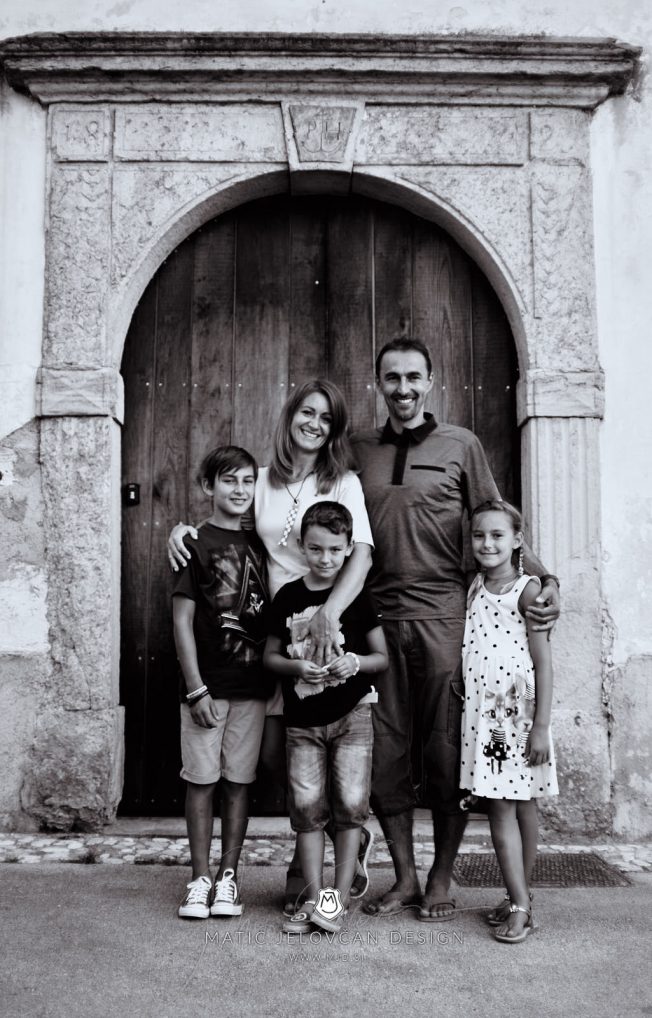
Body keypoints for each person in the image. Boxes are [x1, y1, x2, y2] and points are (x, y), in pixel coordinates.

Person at [352, 337, 560, 920]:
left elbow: (499, 522)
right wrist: (194, 529)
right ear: (379, 383)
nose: (403, 388)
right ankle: (404, 877)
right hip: (376, 623)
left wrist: (546, 579)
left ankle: (441, 877)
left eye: (413, 377)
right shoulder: (356, 449)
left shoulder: (460, 445)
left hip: (446, 621)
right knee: (386, 755)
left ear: (430, 381)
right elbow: (296, 493)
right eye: (392, 378)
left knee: (447, 752)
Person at [168, 381, 375, 914]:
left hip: (323, 630)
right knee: (277, 755)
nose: (314, 424)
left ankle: (323, 864)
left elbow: (361, 554)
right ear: (290, 415)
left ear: (334, 429)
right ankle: (311, 855)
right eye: (307, 412)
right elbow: (224, 522)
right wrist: (182, 530)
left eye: (325, 418)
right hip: (270, 635)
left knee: (324, 742)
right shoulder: (261, 480)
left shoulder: (343, 481)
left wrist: (330, 614)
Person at [264, 502, 388, 934]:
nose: (326, 558)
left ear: (349, 548)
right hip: (302, 723)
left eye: (336, 550)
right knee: (306, 811)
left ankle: (336, 900)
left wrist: (355, 662)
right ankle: (313, 897)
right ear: (302, 546)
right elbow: (270, 657)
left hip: (353, 718)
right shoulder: (288, 597)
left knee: (351, 808)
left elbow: (381, 658)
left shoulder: (355, 597)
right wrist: (296, 667)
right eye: (316, 549)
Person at [173, 445, 273, 920]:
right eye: (229, 480)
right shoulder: (193, 544)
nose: (239, 489)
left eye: (248, 481)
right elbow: (181, 622)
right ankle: (199, 879)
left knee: (237, 783)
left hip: (252, 689)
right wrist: (196, 689)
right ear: (207, 486)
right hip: (206, 691)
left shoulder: (262, 544)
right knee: (201, 782)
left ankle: (228, 877)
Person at [460, 498, 557, 943]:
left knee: (512, 806)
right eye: (479, 535)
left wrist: (541, 727)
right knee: (513, 804)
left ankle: (520, 904)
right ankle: (520, 896)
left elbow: (544, 663)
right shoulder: (475, 585)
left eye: (498, 535)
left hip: (515, 716)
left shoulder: (528, 591)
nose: (487, 543)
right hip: (484, 716)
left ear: (517, 539)